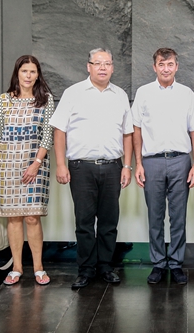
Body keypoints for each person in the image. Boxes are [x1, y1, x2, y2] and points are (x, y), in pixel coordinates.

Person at [50, 48, 133, 289]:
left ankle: (106, 266)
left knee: (109, 221)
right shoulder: (73, 93)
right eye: (98, 63)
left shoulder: (120, 95)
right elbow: (59, 131)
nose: (103, 68)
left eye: (107, 63)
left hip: (112, 167)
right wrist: (61, 164)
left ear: (113, 67)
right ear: (89, 66)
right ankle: (86, 269)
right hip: (81, 168)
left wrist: (127, 166)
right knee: (84, 221)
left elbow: (127, 133)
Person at [132, 48, 194, 285]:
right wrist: (138, 163)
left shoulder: (186, 94)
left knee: (178, 216)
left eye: (170, 64)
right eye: (161, 64)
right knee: (154, 216)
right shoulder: (143, 93)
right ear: (154, 67)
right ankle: (158, 263)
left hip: (180, 161)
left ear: (177, 66)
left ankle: (175, 263)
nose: (166, 69)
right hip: (151, 161)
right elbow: (136, 130)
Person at [0, 55, 54, 286]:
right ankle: (16, 268)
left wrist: (36, 163)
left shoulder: (46, 100)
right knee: (14, 217)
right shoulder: (3, 100)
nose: (28, 75)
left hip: (35, 164)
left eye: (32, 71)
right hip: (7, 165)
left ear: (38, 75)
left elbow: (47, 136)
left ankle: (38, 268)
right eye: (24, 71)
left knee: (32, 216)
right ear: (17, 73)